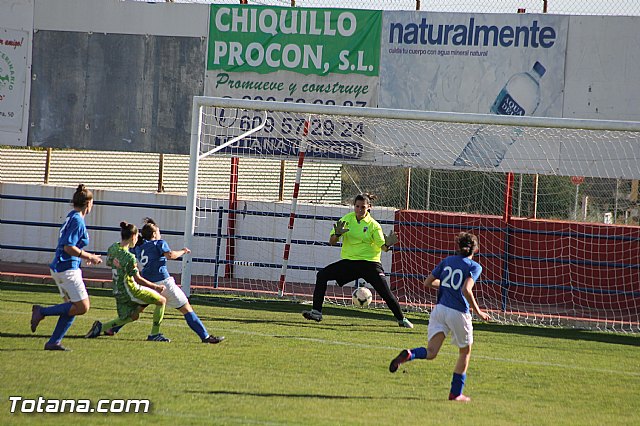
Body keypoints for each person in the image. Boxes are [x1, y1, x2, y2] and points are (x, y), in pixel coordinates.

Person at [388, 232, 490, 402]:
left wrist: (447, 285)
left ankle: (409, 354)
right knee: (465, 352)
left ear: (457, 247)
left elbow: (427, 282)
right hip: (458, 312)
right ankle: (455, 393)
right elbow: (466, 289)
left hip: (440, 309)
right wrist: (478, 311)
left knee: (431, 352)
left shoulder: (447, 261)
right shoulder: (474, 266)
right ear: (476, 249)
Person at [88, 218, 224, 344]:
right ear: (154, 233)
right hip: (163, 283)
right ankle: (205, 337)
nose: (160, 234)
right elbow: (170, 255)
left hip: (146, 283)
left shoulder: (139, 247)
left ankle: (111, 328)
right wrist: (183, 251)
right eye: (158, 231)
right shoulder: (160, 243)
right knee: (186, 308)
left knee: (136, 312)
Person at [302, 193, 413, 328]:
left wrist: (388, 244)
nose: (360, 210)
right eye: (357, 206)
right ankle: (316, 312)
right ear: (354, 206)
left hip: (370, 264)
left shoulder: (374, 226)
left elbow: (383, 248)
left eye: (363, 207)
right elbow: (331, 242)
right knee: (322, 275)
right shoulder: (346, 219)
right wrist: (337, 234)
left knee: (386, 293)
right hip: (350, 263)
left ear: (369, 208)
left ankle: (402, 319)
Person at [30, 184, 103, 351]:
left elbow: (71, 246)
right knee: (82, 307)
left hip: (63, 267)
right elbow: (68, 247)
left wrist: (84, 256)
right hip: (67, 269)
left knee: (72, 307)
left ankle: (54, 342)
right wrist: (89, 256)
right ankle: (42, 311)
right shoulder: (78, 220)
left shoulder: (72, 216)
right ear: (89, 203)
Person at [86, 221, 170, 342]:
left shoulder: (113, 248)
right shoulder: (129, 257)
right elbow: (138, 279)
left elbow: (109, 262)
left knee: (133, 315)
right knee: (161, 301)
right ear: (133, 237)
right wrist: (156, 287)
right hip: (130, 290)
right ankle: (154, 334)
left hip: (117, 289)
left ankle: (101, 328)